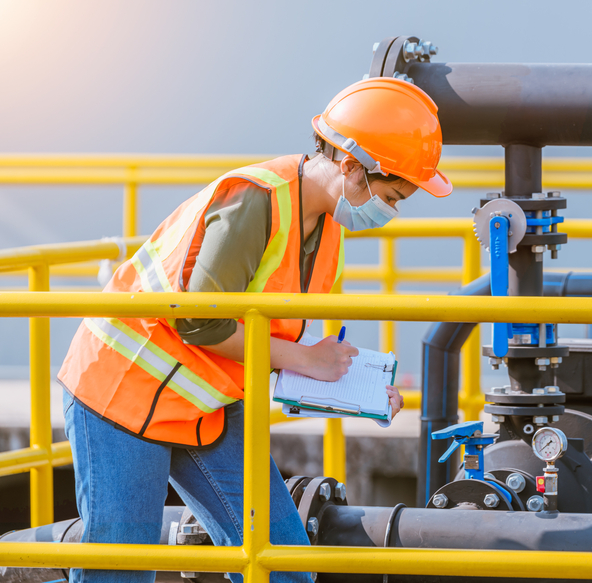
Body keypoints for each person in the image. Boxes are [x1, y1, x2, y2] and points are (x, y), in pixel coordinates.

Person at [56, 77, 452, 583]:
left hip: (205, 405)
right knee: (119, 577)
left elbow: (281, 339)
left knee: (283, 567)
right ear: (352, 166)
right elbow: (200, 320)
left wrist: (361, 390)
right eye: (392, 195)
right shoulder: (256, 199)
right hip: (122, 393)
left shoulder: (327, 226)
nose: (391, 212)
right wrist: (307, 361)